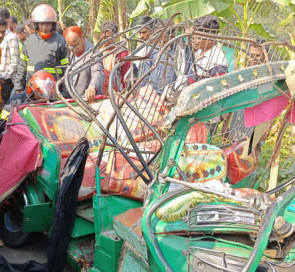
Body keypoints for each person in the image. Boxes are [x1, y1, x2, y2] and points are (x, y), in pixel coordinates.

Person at [14, 4, 68, 94]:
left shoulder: (60, 41)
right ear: (36, 24)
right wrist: (19, 85)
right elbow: (22, 66)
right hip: (32, 89)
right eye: (42, 23)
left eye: (48, 23)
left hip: (54, 89)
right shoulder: (29, 41)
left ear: (53, 24)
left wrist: (65, 91)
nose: (45, 26)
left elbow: (66, 69)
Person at [0, 70, 56, 136]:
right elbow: (2, 123)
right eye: (41, 94)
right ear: (32, 90)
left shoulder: (51, 103)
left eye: (49, 93)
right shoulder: (16, 101)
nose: (46, 98)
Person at [63, 26, 104, 100]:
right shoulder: (70, 53)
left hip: (88, 101)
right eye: (70, 46)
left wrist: (92, 87)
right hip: (73, 101)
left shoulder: (93, 53)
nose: (74, 49)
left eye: (76, 44)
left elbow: (98, 72)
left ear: (82, 39)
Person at [188, 15, 228, 83]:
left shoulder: (217, 60)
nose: (193, 40)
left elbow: (219, 86)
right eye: (193, 36)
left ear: (210, 39)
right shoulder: (200, 51)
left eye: (197, 37)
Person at [100, 20, 130, 94]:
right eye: (105, 37)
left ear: (115, 36)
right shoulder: (98, 53)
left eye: (109, 37)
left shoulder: (122, 53)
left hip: (117, 93)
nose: (107, 40)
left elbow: (127, 76)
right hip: (100, 92)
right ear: (101, 35)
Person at [0, 17, 19, 104]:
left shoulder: (11, 38)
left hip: (7, 79)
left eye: (3, 32)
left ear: (7, 27)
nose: (1, 35)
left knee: (5, 105)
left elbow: (15, 62)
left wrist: (3, 77)